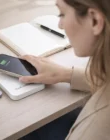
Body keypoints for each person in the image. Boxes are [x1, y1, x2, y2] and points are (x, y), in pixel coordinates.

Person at [19, 0, 110, 139]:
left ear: (95, 21)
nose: (60, 25)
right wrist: (67, 74)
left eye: (62, 14)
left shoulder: (93, 130)